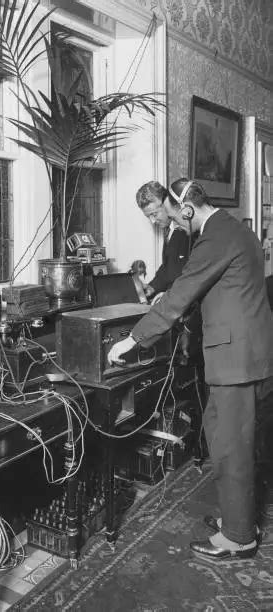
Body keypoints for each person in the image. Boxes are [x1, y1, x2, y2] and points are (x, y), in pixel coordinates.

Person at [108, 178, 273, 560]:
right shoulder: (235, 228)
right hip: (247, 352)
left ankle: (239, 537)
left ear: (186, 209)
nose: (176, 227)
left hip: (237, 359)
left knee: (231, 445)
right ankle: (239, 517)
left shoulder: (214, 236)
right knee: (223, 435)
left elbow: (183, 291)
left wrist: (133, 340)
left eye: (176, 219)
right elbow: (223, 288)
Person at [135, 181, 191, 303]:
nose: (153, 221)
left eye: (154, 214)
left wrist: (169, 295)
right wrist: (152, 287)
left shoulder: (188, 229)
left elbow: (191, 275)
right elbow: (168, 267)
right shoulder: (170, 228)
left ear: (166, 203)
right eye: (148, 217)